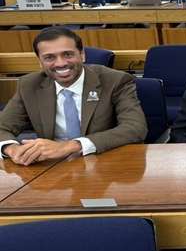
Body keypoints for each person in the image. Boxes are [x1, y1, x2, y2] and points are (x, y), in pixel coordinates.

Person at [0, 27, 146, 165]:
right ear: (40, 62)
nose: (61, 63)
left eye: (67, 54)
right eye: (49, 57)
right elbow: (3, 127)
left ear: (82, 54)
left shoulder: (115, 80)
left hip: (104, 162)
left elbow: (134, 128)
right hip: (51, 169)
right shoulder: (29, 85)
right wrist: (12, 149)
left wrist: (70, 146)